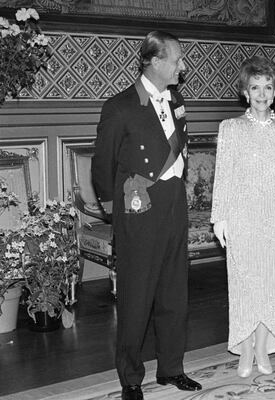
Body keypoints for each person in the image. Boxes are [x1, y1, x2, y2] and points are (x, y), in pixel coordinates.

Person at [92, 31, 202, 400]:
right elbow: (102, 164)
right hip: (139, 208)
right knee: (137, 297)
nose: (182, 67)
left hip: (173, 205)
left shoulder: (176, 99)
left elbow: (179, 149)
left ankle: (171, 368)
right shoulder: (120, 106)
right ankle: (131, 378)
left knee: (175, 293)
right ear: (155, 62)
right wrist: (114, 211)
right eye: (177, 60)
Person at [210, 55, 275, 378]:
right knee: (244, 284)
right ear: (245, 92)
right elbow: (223, 175)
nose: (262, 93)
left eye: (268, 87)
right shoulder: (230, 128)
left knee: (271, 284)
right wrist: (219, 218)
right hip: (241, 216)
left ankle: (262, 347)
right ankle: (244, 349)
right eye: (255, 87)